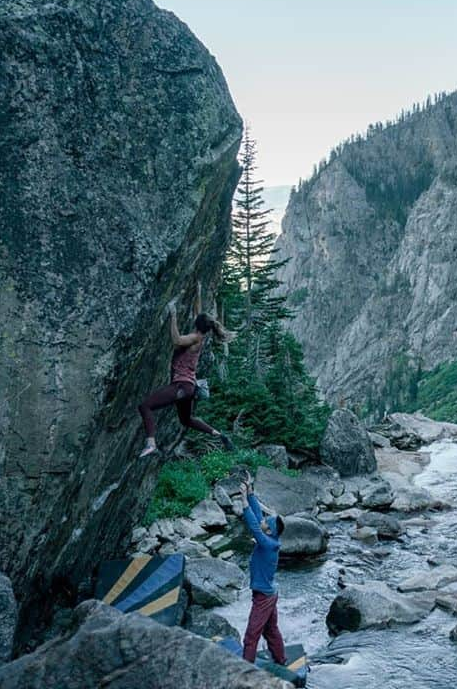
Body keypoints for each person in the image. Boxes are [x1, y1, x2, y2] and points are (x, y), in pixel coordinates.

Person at [137, 283, 234, 457]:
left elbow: (176, 340)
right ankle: (218, 434)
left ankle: (150, 443)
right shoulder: (201, 336)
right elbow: (198, 314)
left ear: (197, 325)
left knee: (145, 406)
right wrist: (198, 292)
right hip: (189, 388)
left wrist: (173, 315)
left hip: (181, 386)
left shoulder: (194, 338)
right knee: (186, 419)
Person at [240, 471, 287, 666]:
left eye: (267, 523)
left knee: (251, 636)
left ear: (270, 530)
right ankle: (281, 660)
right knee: (270, 630)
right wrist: (250, 491)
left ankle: (244, 673)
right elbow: (259, 518)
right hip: (268, 593)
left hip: (264, 597)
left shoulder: (267, 544)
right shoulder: (271, 539)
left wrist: (243, 500)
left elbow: (254, 526)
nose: (263, 520)